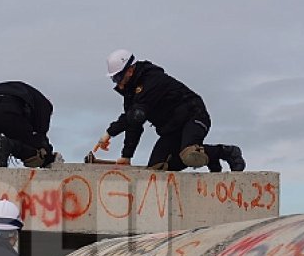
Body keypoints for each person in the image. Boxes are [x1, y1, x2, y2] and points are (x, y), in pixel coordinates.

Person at [97, 49, 246, 172]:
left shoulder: (152, 79)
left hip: (193, 116)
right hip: (171, 129)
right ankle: (208, 156)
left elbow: (137, 115)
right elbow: (134, 124)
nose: (117, 83)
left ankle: (226, 152)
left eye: (118, 77)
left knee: (189, 155)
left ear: (130, 70)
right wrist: (127, 156)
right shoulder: (131, 94)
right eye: (113, 79)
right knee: (157, 168)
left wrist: (109, 133)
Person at [0, 81, 60, 168]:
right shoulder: (45, 105)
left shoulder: (28, 94)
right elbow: (40, 136)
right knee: (28, 147)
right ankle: (8, 145)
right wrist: (48, 158)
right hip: (9, 108)